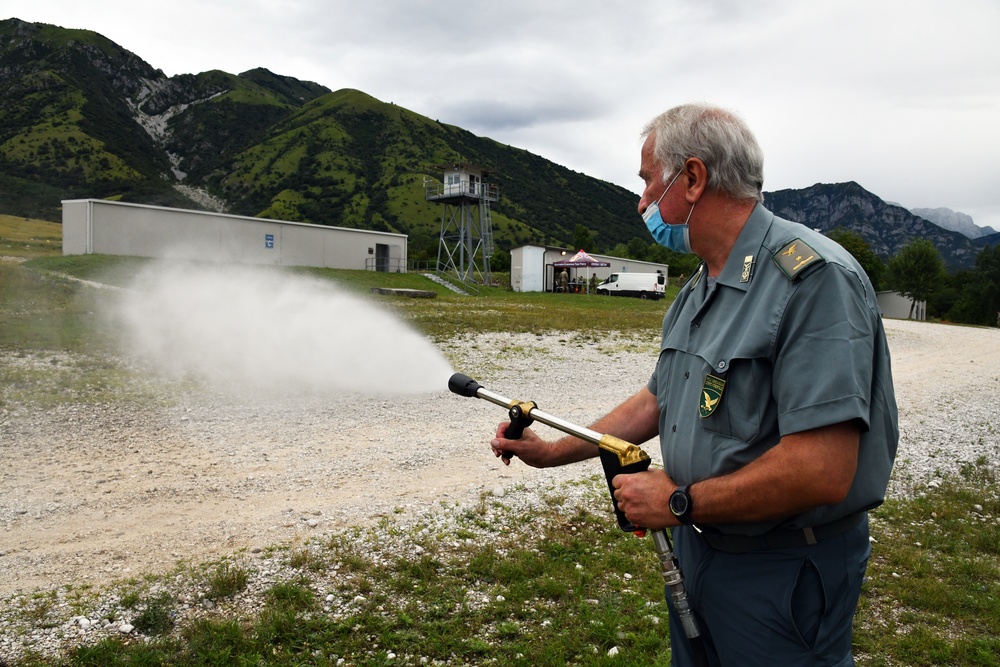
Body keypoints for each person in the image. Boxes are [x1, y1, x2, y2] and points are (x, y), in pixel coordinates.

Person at [490, 103, 898, 667]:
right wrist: (554, 450)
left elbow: (822, 470)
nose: (640, 204)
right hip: (701, 551)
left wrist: (679, 501)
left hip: (781, 570)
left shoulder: (812, 281)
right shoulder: (701, 284)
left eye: (646, 182)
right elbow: (656, 400)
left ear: (692, 178)